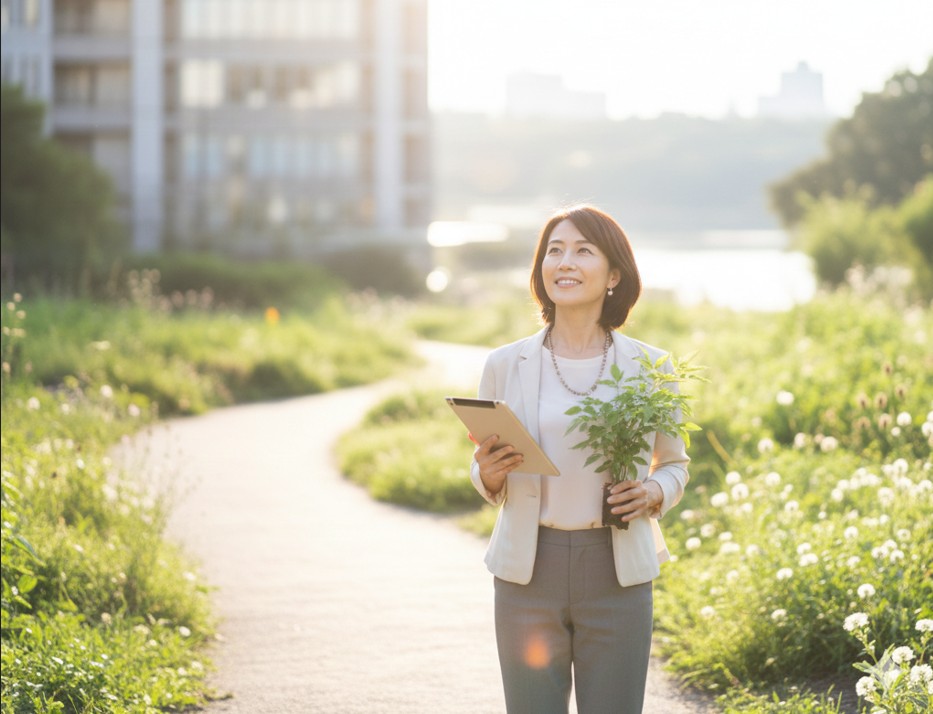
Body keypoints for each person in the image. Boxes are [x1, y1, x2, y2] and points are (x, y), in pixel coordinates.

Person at [470, 204, 690, 714]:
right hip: (527, 571)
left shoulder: (653, 367)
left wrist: (654, 492)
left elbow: (675, 464)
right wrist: (487, 472)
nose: (564, 262)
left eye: (583, 251)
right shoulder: (504, 364)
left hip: (616, 572)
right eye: (554, 251)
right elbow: (483, 463)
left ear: (615, 274)